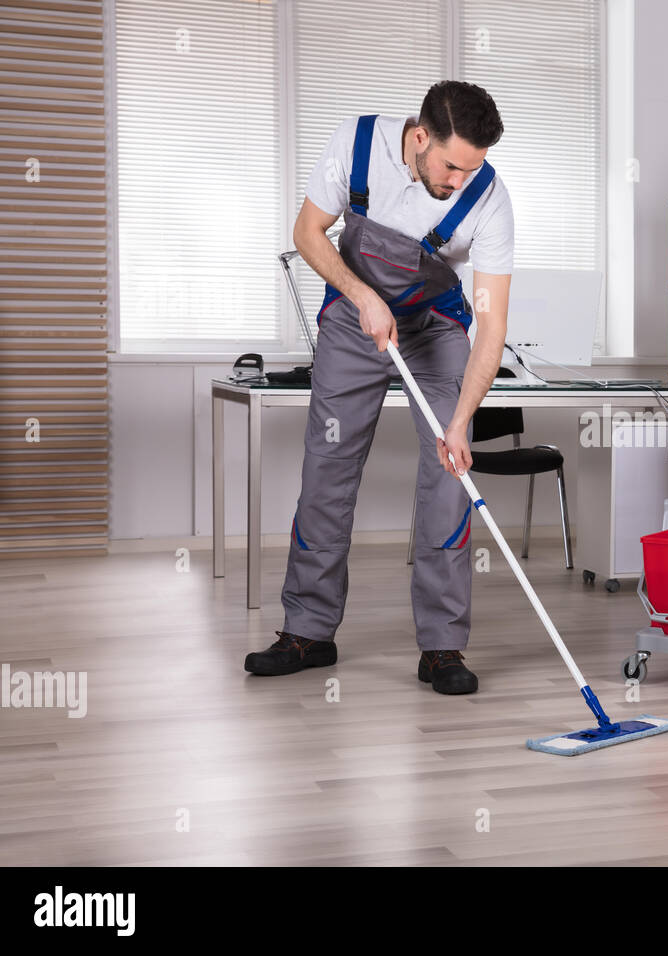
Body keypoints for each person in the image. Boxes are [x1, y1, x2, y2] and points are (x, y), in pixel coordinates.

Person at [244, 81, 514, 695]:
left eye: (470, 170)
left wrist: (462, 419)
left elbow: (493, 320)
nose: (457, 181)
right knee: (328, 465)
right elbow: (308, 231)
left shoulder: (490, 198)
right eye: (450, 166)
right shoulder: (358, 143)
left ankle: (442, 647)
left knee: (451, 469)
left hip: (436, 325)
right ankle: (307, 632)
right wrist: (363, 294)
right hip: (353, 313)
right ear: (421, 137)